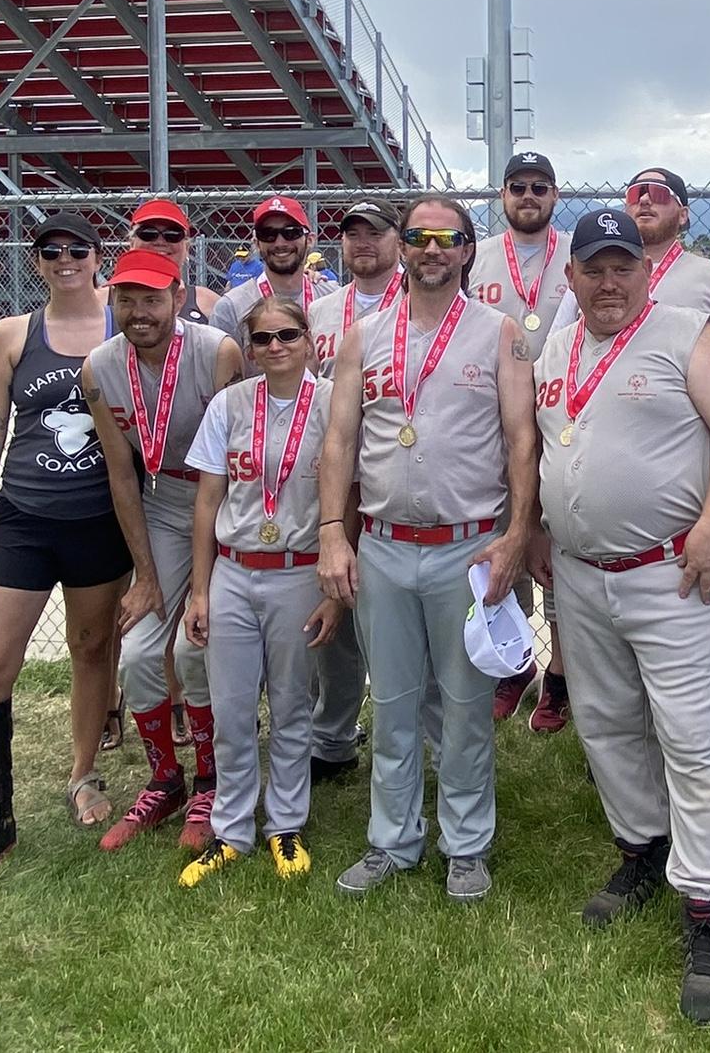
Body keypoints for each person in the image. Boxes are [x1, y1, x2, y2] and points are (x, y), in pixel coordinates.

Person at [534, 208, 710, 1025]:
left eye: (620, 266)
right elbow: (543, 445)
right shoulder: (556, 347)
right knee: (606, 725)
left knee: (691, 736)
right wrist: (534, 524)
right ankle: (643, 848)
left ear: (644, 270)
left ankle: (706, 906)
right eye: (592, 268)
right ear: (571, 277)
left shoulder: (683, 331)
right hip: (582, 574)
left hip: (673, 575)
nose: (606, 282)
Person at [321, 195, 537, 904]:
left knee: (468, 705)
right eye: (418, 237)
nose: (432, 249)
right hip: (384, 546)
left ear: (469, 249)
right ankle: (392, 839)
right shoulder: (363, 337)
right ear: (402, 247)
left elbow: (521, 442)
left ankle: (466, 843)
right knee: (393, 702)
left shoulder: (497, 333)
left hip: (467, 548)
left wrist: (514, 536)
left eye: (448, 237)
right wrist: (332, 533)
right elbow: (341, 442)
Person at [0, 213, 137, 883]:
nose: (66, 259)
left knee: (91, 649)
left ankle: (83, 774)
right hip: (23, 516)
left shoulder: (123, 325)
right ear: (37, 261)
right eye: (52, 251)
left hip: (101, 520)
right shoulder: (12, 336)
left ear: (99, 257)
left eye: (78, 249)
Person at [83, 249, 244, 853]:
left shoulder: (217, 352)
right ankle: (164, 780)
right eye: (126, 298)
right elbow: (122, 476)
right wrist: (145, 578)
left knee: (193, 646)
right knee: (142, 652)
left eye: (152, 298)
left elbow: (237, 449)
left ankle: (210, 779)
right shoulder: (100, 367)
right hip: (164, 506)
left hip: (226, 505)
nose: (139, 311)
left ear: (179, 298)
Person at [177, 298, 340, 885]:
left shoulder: (330, 403)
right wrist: (200, 591)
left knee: (294, 702)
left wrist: (333, 590)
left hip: (298, 570)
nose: (275, 347)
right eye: (263, 339)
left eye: (287, 335)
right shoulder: (229, 404)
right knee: (232, 708)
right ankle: (232, 830)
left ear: (310, 341)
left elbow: (346, 501)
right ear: (248, 349)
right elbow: (207, 502)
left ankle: (286, 823)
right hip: (235, 570)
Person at [467, 149, 573, 732]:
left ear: (554, 196)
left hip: (561, 417)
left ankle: (558, 675)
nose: (528, 196)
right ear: (502, 195)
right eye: (517, 187)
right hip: (491, 423)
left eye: (539, 186)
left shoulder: (577, 257)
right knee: (501, 539)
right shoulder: (476, 258)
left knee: (552, 545)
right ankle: (513, 662)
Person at [304, 197, 405, 788]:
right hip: (336, 478)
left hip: (393, 479)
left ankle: (409, 732)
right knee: (333, 603)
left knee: (391, 617)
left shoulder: (419, 306)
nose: (363, 242)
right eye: (352, 233)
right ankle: (334, 735)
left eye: (376, 231)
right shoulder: (320, 311)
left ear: (398, 240)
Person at [551, 165, 710, 414]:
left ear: (683, 214)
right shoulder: (587, 278)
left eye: (659, 193)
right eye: (635, 194)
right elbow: (555, 352)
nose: (645, 199)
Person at [211, 197, 320, 367]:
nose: (280, 242)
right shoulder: (231, 308)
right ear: (256, 243)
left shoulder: (332, 296)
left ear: (310, 239)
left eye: (291, 232)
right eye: (268, 234)